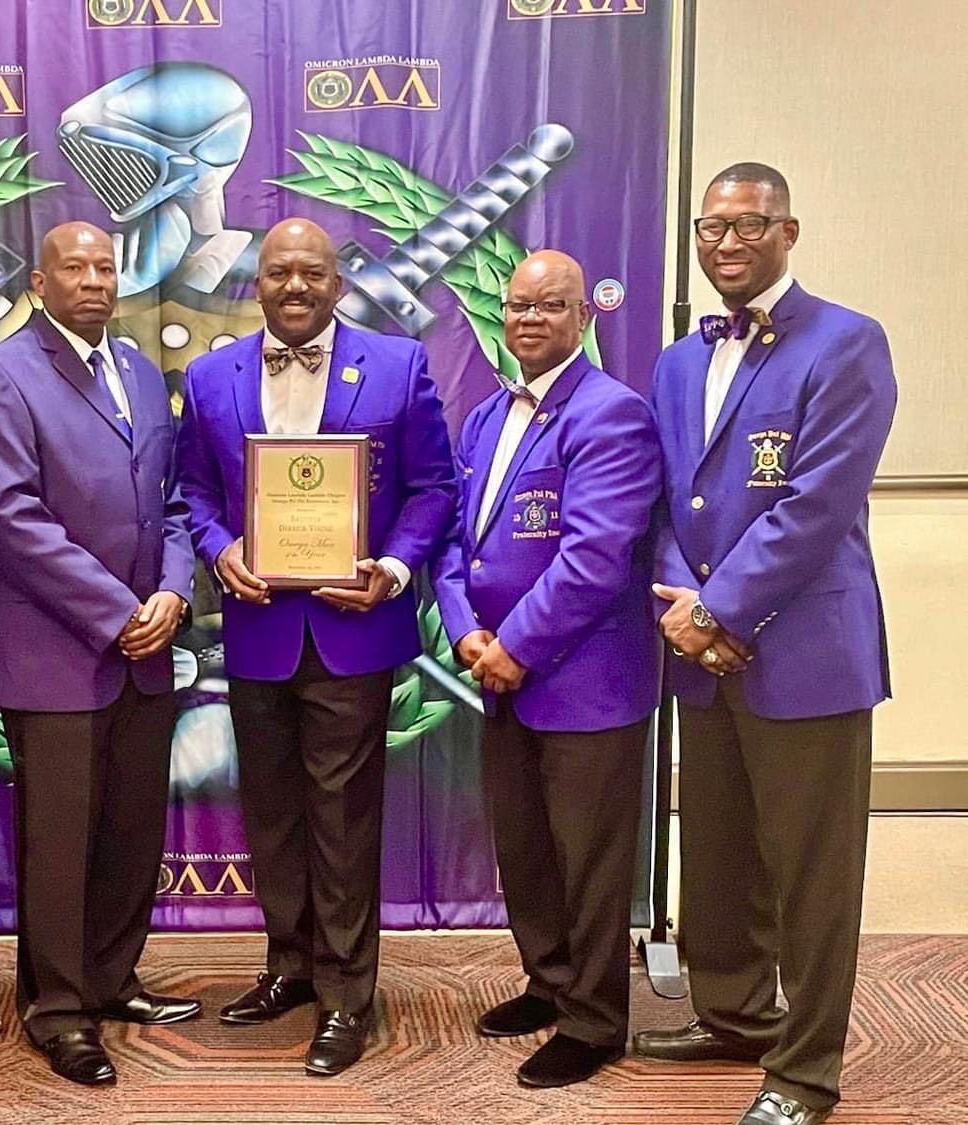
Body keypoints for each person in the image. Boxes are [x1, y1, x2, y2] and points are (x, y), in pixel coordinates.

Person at [635, 163, 896, 1125]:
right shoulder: (674, 360)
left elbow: (817, 505)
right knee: (720, 851)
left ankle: (804, 1070)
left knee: (812, 875)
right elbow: (667, 498)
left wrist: (719, 611)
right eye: (713, 227)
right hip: (701, 650)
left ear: (790, 231)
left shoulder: (846, 341)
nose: (729, 243)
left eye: (751, 225)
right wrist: (687, 605)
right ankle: (734, 1012)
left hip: (806, 651)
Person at [174, 217, 455, 1075]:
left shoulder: (399, 364)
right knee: (275, 815)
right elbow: (191, 488)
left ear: (338, 283)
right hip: (258, 632)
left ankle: (345, 995)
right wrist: (219, 547)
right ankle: (289, 965)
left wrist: (396, 568)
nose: (294, 287)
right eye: (277, 273)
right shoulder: (212, 373)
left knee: (342, 818)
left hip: (352, 629)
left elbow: (433, 488)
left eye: (312, 274)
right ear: (255, 283)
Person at [0, 221, 199, 1086]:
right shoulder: (1, 373)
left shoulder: (136, 369)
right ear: (39, 281)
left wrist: (172, 590)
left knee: (130, 829)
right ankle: (58, 1009)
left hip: (146, 644)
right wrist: (117, 610)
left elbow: (172, 502)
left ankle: (109, 975)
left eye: (105, 266)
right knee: (58, 841)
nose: (95, 280)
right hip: (57, 652)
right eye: (75, 267)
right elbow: (11, 518)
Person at [431, 250, 661, 1087]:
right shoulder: (488, 415)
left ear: (582, 318)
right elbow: (456, 542)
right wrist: (464, 632)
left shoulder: (613, 414)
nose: (529, 319)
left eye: (550, 306)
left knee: (589, 860)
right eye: (518, 305)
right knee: (525, 849)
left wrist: (515, 647)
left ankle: (596, 1021)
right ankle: (550, 981)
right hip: (498, 674)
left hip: (585, 681)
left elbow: (595, 558)